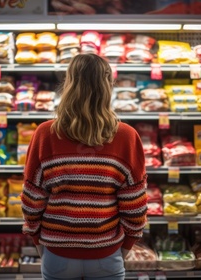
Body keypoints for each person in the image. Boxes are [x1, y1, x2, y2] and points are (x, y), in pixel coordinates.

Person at [21, 53, 148, 280]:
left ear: (69, 83)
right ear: (108, 85)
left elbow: (32, 201)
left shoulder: (45, 134)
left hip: (56, 254)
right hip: (106, 255)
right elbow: (135, 208)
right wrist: (124, 248)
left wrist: (40, 244)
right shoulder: (126, 136)